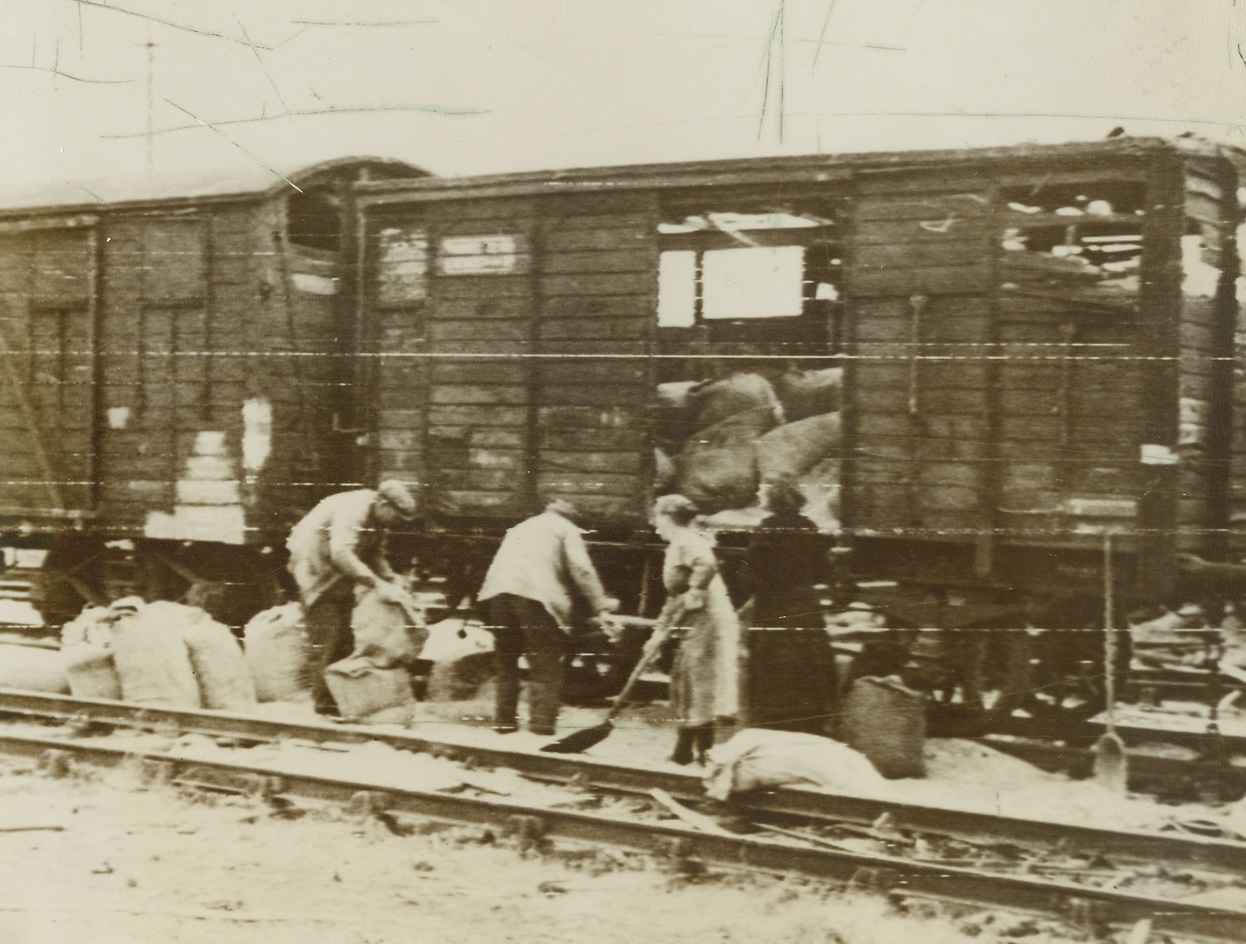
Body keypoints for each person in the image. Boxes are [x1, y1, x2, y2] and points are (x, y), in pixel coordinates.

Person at [477, 498, 619, 736]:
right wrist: (601, 606)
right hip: (535, 599)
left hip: (497, 596)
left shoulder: (523, 525)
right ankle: (541, 727)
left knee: (506, 663)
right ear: (572, 517)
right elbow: (582, 570)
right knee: (545, 665)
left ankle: (504, 723)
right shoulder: (567, 529)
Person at [286, 480, 418, 714]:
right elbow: (341, 553)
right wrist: (377, 583)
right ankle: (325, 707)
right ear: (382, 503)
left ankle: (342, 699)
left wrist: (391, 578)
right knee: (327, 635)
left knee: (346, 636)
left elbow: (374, 553)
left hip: (338, 574)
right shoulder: (354, 510)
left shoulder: (378, 518)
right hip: (314, 567)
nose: (396, 523)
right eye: (395, 517)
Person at [651, 493, 740, 765]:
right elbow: (675, 594)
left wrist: (696, 590)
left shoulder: (687, 541)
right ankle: (691, 751)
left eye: (657, 517)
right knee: (691, 681)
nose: (655, 524)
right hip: (696, 619)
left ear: (669, 518)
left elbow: (707, 564)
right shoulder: (678, 544)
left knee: (700, 683)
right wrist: (659, 631)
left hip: (709, 619)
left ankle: (697, 752)